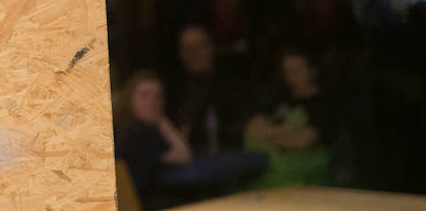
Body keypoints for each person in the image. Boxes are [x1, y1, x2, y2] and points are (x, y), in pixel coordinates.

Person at [244, 47, 339, 188]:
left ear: (312, 71)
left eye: (297, 70)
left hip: (303, 178)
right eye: (287, 71)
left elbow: (304, 140)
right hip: (265, 175)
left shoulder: (325, 102)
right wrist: (288, 133)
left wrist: (267, 134)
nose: (291, 77)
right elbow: (250, 130)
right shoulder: (277, 97)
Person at [114, 70, 193, 203]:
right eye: (145, 95)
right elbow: (184, 156)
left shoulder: (127, 126)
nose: (152, 102)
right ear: (129, 99)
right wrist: (163, 122)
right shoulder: (134, 132)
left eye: (158, 96)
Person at [167, 23, 247, 151]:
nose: (193, 53)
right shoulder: (172, 88)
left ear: (211, 48)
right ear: (180, 54)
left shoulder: (229, 87)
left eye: (199, 46)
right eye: (187, 48)